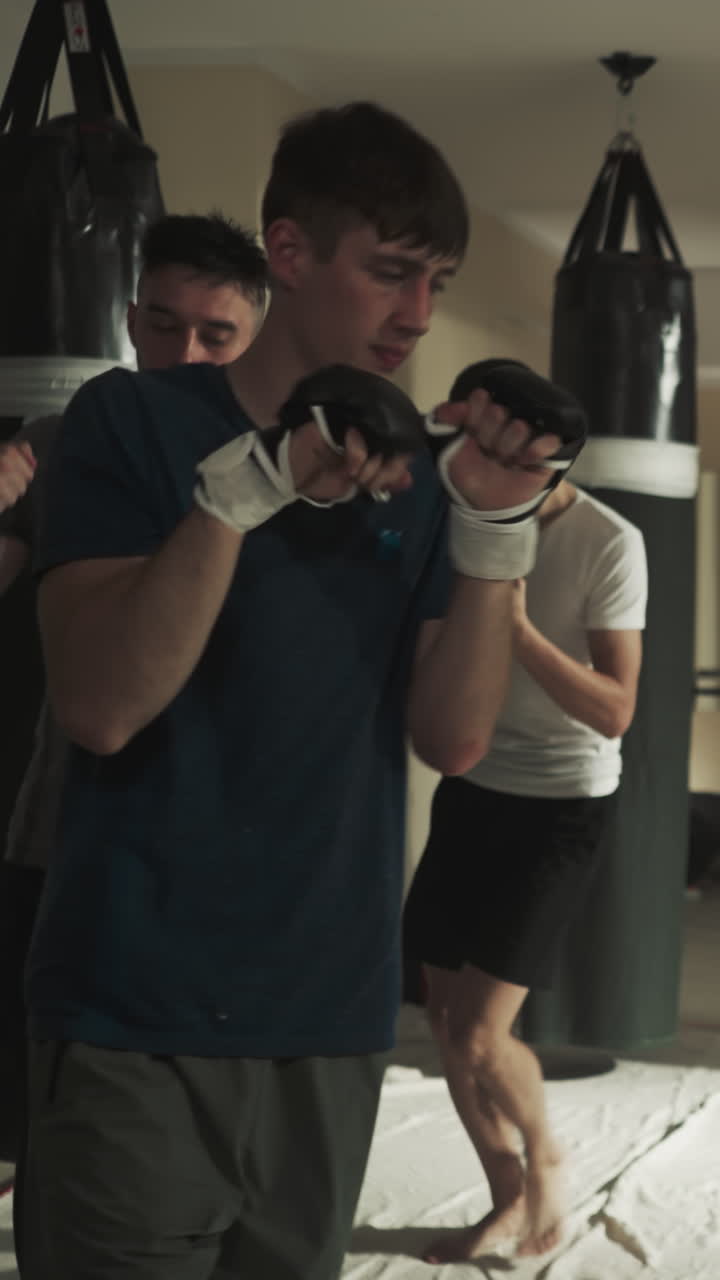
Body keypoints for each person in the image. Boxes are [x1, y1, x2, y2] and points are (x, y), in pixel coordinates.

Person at [23, 102, 567, 1280]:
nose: (417, 315)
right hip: (139, 1009)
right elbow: (102, 705)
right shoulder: (131, 421)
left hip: (331, 1015)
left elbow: (454, 735)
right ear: (290, 252)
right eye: (391, 273)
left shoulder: (421, 481)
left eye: (439, 283)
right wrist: (248, 487)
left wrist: (493, 524)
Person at [0, 211, 267, 1274]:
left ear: (256, 332)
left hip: (231, 803)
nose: (185, 352)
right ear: (127, 319)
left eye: (216, 333)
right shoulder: (76, 434)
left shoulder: (296, 444)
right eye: (163, 325)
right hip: (76, 790)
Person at [403, 363, 647, 1261]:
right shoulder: (439, 512)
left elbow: (616, 710)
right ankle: (505, 1192)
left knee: (478, 1027)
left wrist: (509, 617)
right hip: (472, 787)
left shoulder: (610, 541)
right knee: (438, 1015)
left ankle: (545, 1157)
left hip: (562, 803)